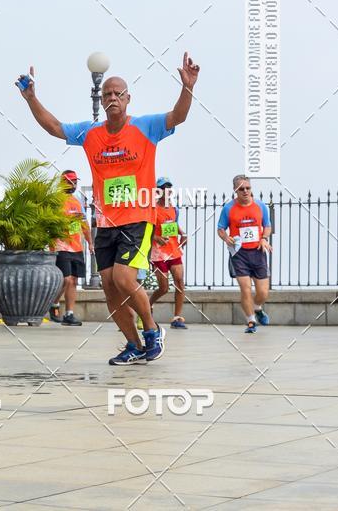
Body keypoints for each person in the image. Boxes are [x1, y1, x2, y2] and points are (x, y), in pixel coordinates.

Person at [15, 52, 200, 365]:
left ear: (128, 99)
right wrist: (31, 98)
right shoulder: (91, 133)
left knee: (126, 279)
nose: (112, 98)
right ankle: (133, 345)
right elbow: (54, 127)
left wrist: (188, 88)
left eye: (118, 94)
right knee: (111, 290)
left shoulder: (146, 127)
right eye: (107, 95)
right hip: (106, 223)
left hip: (138, 218)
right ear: (102, 101)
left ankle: (152, 331)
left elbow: (178, 116)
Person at [217, 175, 272, 333]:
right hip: (239, 254)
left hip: (258, 252)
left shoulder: (261, 206)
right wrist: (226, 237)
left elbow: (267, 226)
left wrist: (264, 238)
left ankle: (257, 308)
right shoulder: (228, 208)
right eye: (241, 189)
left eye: (248, 188)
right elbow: (220, 229)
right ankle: (251, 321)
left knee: (263, 292)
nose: (245, 191)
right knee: (245, 288)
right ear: (235, 190)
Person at [49, 170, 94, 326]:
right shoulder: (56, 201)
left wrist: (90, 243)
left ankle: (69, 314)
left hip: (76, 246)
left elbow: (84, 223)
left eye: (75, 181)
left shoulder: (77, 201)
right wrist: (68, 219)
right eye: (70, 181)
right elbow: (51, 222)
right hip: (60, 245)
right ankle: (54, 304)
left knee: (73, 281)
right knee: (66, 279)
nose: (73, 184)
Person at [149, 177, 188, 329]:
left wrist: (182, 233)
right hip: (158, 253)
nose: (166, 189)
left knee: (179, 282)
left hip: (173, 250)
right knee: (163, 287)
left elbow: (173, 223)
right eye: (163, 187)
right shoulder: (152, 209)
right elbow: (145, 230)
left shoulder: (173, 208)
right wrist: (156, 238)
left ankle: (177, 317)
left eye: (169, 186)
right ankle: (149, 304)